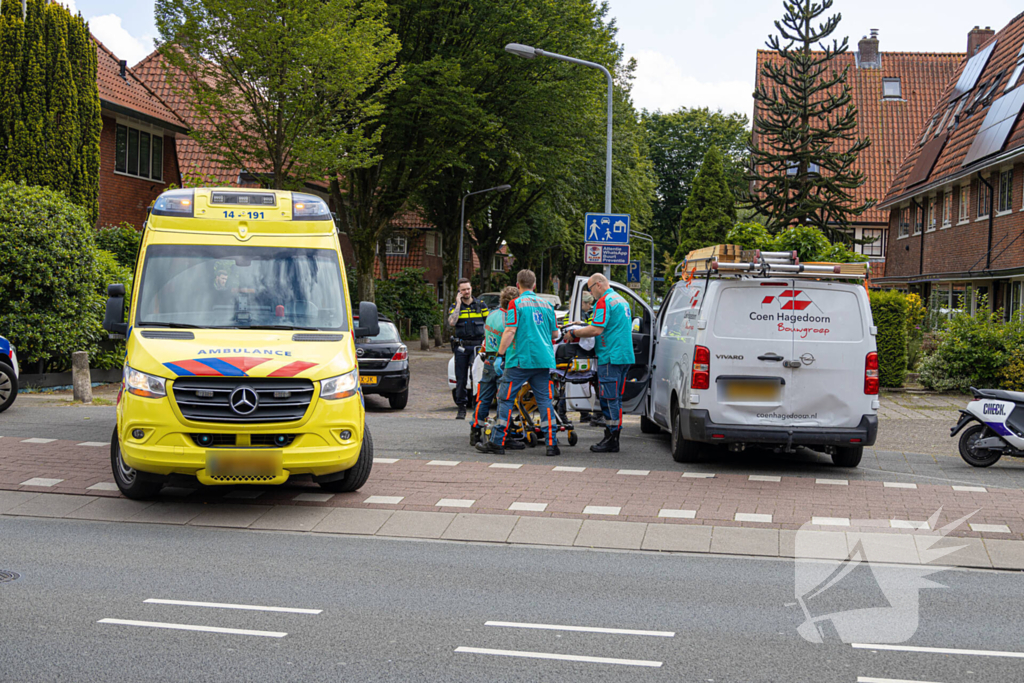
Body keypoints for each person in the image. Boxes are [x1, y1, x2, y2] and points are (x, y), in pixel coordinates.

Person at [477, 269, 561, 457]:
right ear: (535, 285)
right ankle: (551, 444)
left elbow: (510, 331)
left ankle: (497, 442)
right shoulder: (548, 305)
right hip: (543, 361)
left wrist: (500, 355)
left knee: (505, 399)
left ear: (518, 285)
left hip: (520, 361)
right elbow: (555, 334)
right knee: (545, 401)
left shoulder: (516, 304)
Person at [562, 273, 635, 453]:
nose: (591, 293)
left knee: (609, 399)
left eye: (590, 288)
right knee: (616, 399)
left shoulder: (603, 301)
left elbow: (596, 329)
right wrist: (582, 324)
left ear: (599, 285)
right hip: (624, 355)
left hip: (610, 356)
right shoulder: (620, 300)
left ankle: (611, 439)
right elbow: (609, 325)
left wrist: (574, 333)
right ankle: (613, 435)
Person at [470, 286, 521, 448]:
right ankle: (504, 434)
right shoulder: (509, 318)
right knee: (504, 400)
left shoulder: (491, 315)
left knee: (483, 398)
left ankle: (475, 431)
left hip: (488, 359)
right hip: (503, 360)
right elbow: (511, 338)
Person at [447, 278, 488, 420]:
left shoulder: (481, 305)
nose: (466, 292)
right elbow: (452, 322)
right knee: (461, 378)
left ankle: (477, 406)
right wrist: (458, 303)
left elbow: (488, 324)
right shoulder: (454, 307)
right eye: (463, 289)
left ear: (471, 289)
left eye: (468, 289)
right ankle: (461, 408)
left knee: (476, 377)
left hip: (477, 345)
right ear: (459, 291)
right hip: (462, 347)